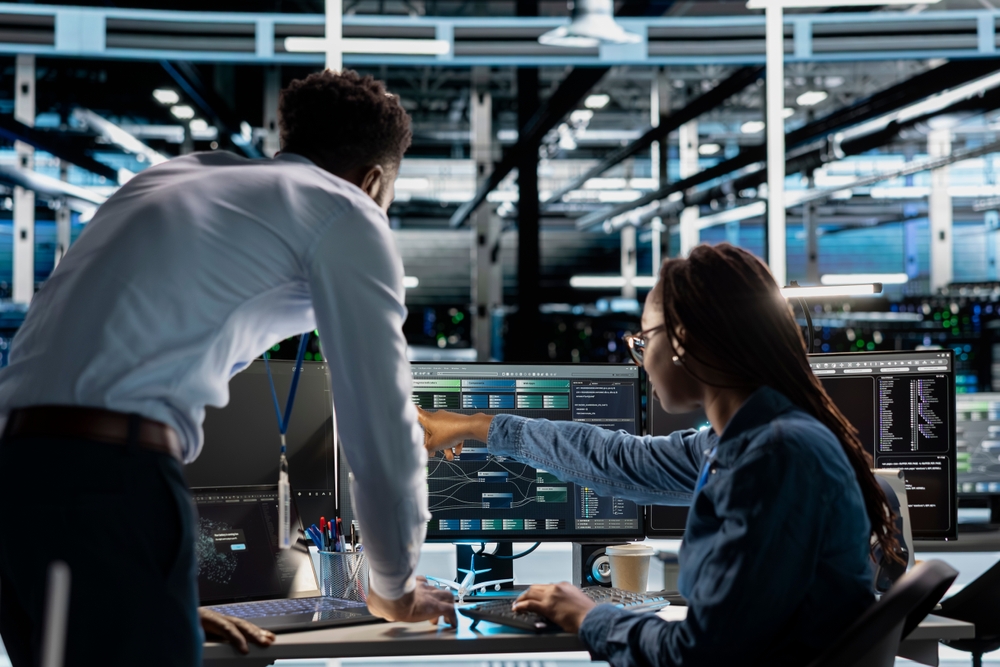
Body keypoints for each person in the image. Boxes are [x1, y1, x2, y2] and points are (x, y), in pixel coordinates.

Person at [0, 70, 454, 667]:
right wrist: (393, 587)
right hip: (112, 482)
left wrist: (158, 599)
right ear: (375, 180)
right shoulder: (348, 209)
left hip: (18, 482)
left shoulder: (177, 177)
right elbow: (381, 422)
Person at [419, 243, 901, 667]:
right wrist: (475, 427)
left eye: (644, 340)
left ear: (684, 340)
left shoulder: (771, 458)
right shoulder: (746, 441)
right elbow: (613, 460)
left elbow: (700, 654)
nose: (640, 356)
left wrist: (592, 617)